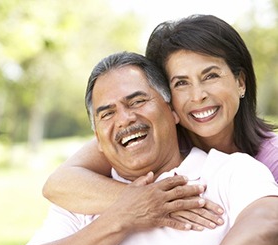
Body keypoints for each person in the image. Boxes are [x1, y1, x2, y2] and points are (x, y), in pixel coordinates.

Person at [42, 15, 278, 229]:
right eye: (181, 83)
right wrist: (154, 203)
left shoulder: (269, 160)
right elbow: (59, 184)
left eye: (211, 76)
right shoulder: (154, 136)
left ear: (241, 82)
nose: (198, 95)